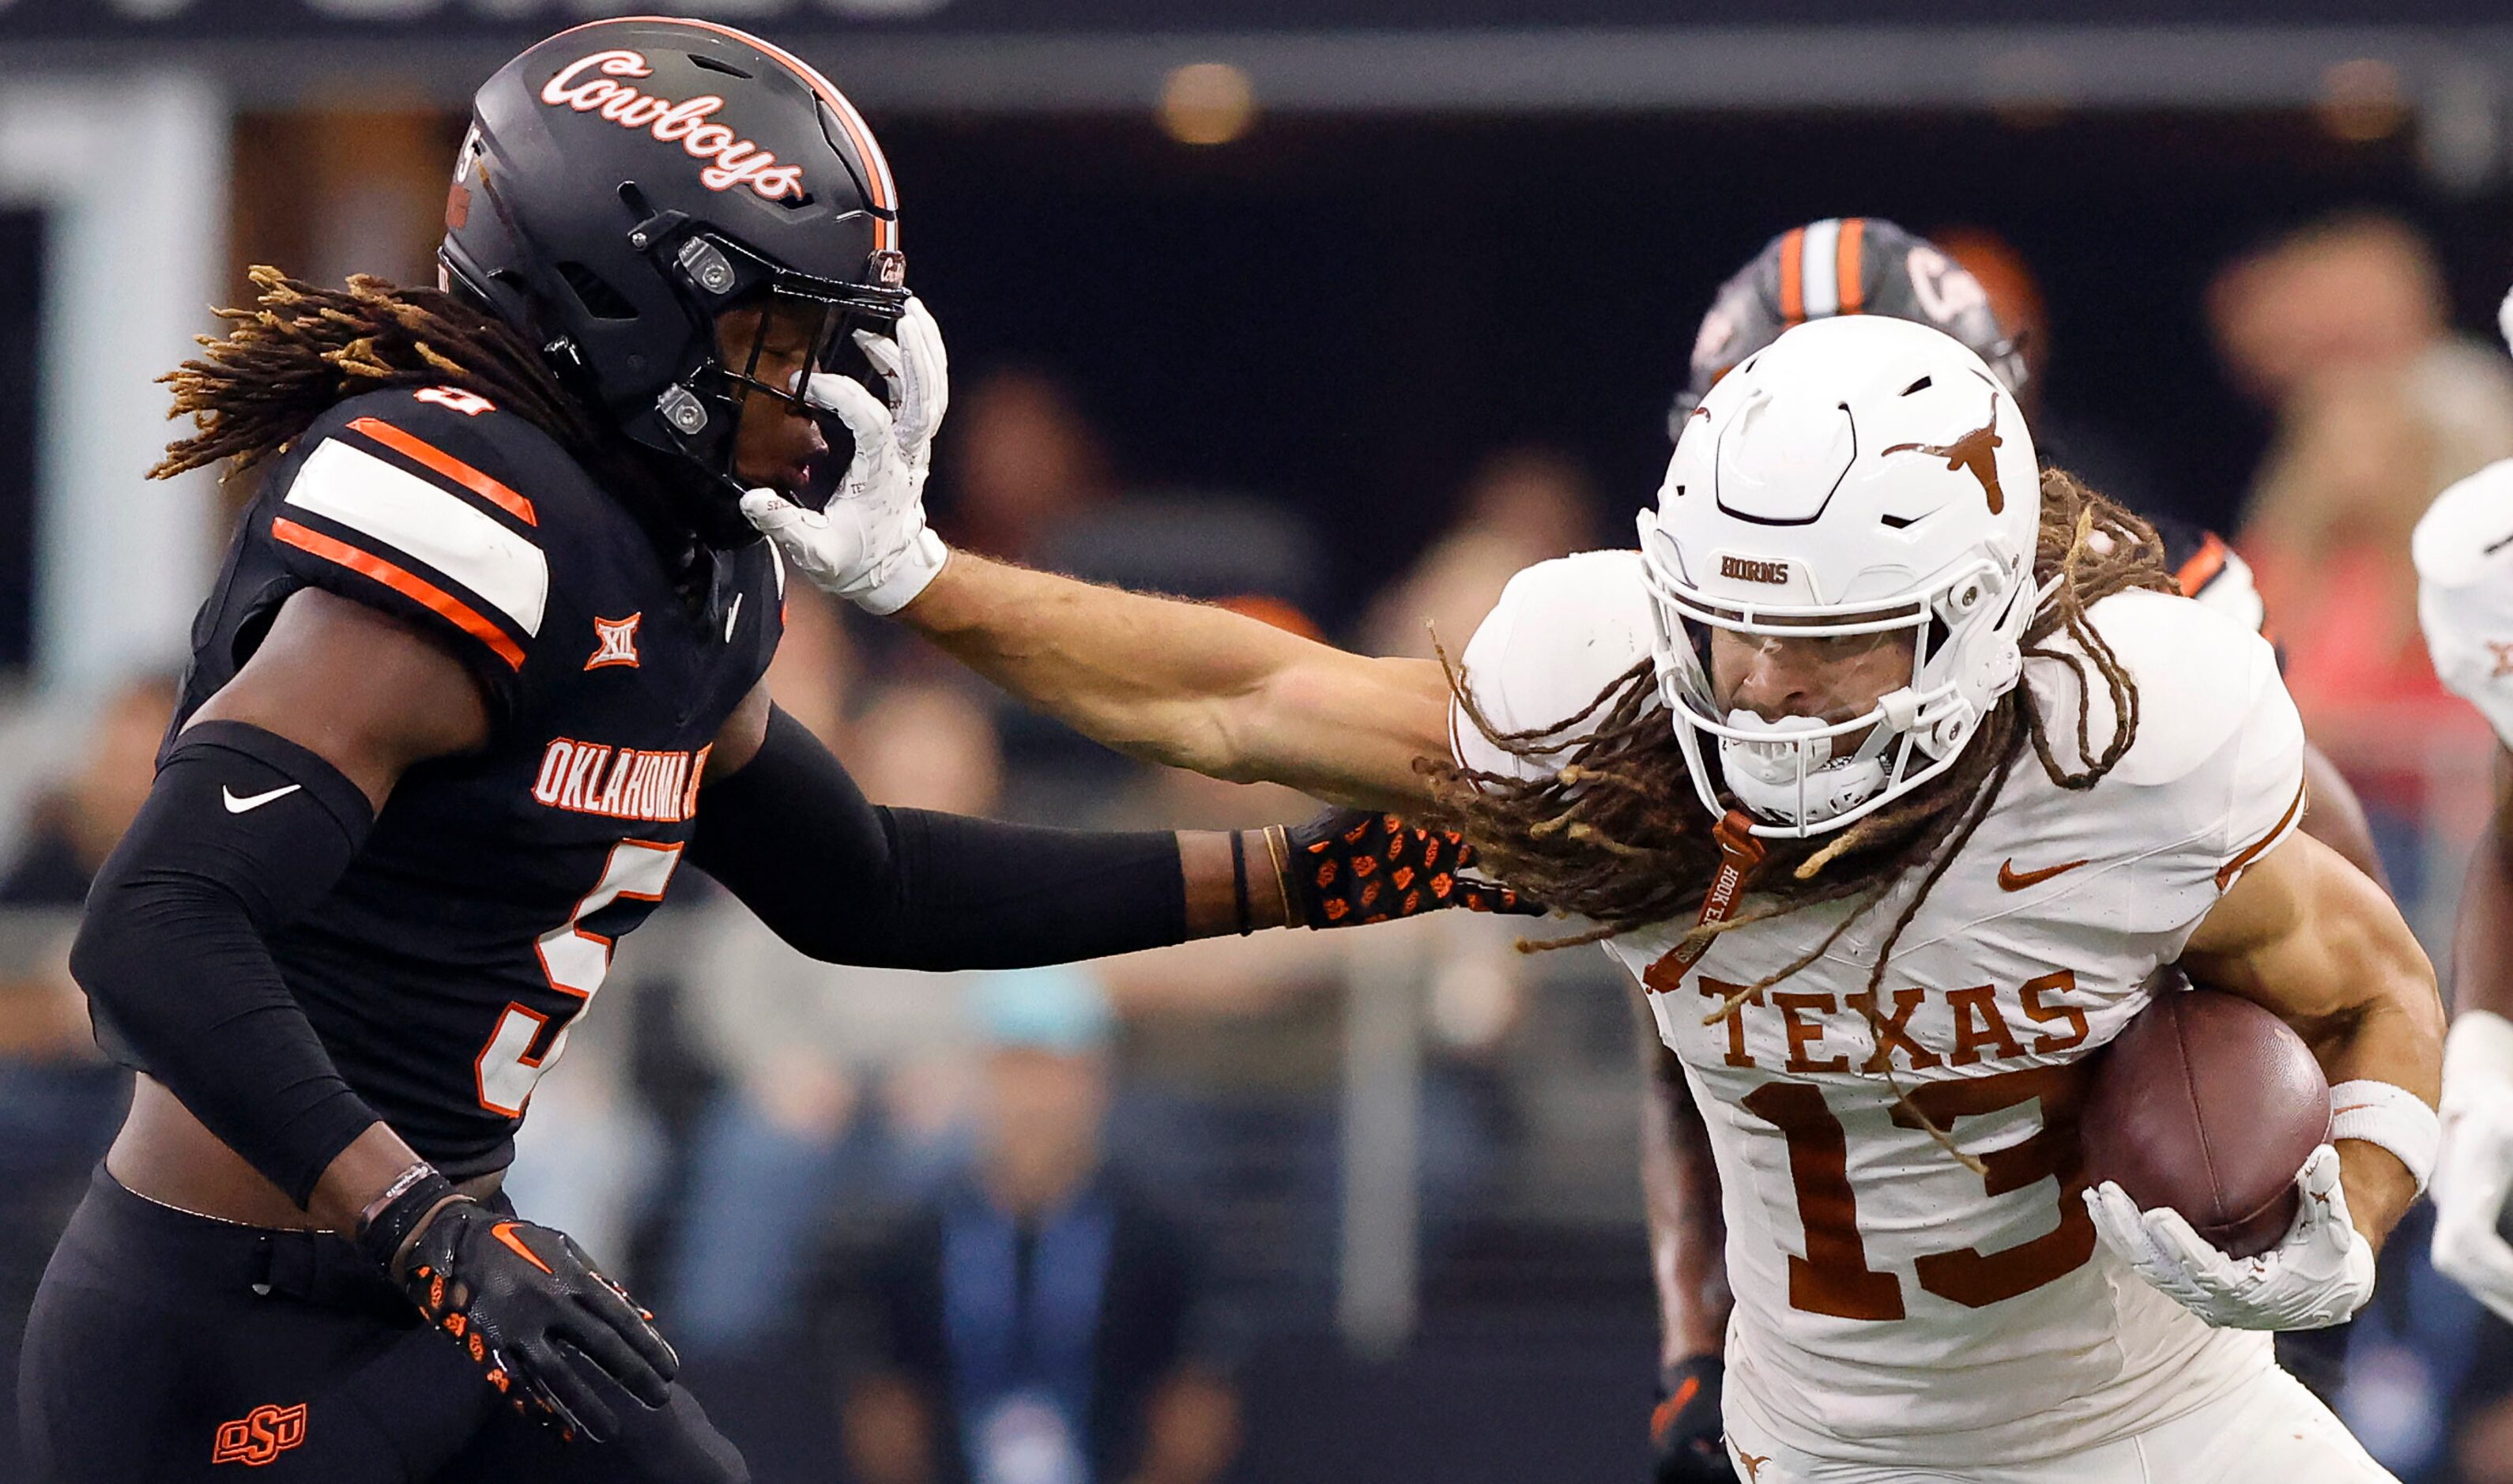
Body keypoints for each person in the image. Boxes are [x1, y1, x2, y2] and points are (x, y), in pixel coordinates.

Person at [19, 20, 1516, 1484]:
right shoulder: (460, 507)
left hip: (450, 1279)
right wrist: (424, 1218)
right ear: (619, 299)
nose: (804, 383)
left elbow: (864, 880)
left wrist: (1296, 877)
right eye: (770, 330)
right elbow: (154, 929)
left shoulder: (688, 560)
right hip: (231, 1328)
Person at [752, 307, 2442, 1479]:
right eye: (1733, 627)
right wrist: (922, 575)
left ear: (1980, 625)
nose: (1766, 688)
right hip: (1837, 1456)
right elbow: (1241, 701)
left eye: (1832, 641)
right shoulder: (1614, 730)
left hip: (2170, 1434)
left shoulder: (2123, 751)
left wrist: (2345, 1221)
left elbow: (2380, 986)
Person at [1631, 218, 2396, 1477]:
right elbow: (1672, 1046)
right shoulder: (1689, 653)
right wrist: (1695, 1352)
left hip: (2122, 1331)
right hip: (1853, 1357)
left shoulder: (2131, 627)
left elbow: (2339, 915)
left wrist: (2306, 1236)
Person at [839, 969, 1238, 1484]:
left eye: (1058, 1072)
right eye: (1015, 1070)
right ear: (980, 1079)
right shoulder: (916, 1240)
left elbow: (1196, 1408)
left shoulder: (1158, 1236)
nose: (1035, 1099)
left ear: (1099, 1081)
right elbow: (883, 1408)